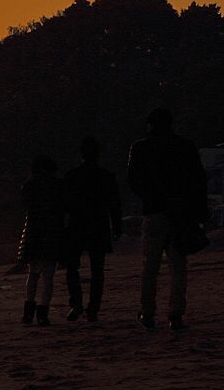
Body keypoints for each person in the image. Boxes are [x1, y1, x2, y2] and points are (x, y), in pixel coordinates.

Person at [127, 108, 207, 330]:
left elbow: (133, 180)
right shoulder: (185, 147)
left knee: (150, 266)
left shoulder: (140, 148)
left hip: (153, 211)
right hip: (180, 212)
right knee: (178, 266)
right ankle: (175, 312)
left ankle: (147, 312)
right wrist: (198, 211)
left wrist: (151, 197)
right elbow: (198, 180)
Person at [63, 136, 123, 322]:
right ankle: (93, 308)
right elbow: (115, 204)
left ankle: (76, 304)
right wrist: (117, 226)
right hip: (99, 224)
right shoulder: (107, 176)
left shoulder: (71, 176)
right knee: (98, 270)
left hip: (77, 225)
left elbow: (64, 204)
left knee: (72, 267)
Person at [18, 155, 64, 326]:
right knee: (48, 276)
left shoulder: (29, 186)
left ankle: (28, 312)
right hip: (52, 232)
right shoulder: (58, 185)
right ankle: (43, 312)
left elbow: (24, 207)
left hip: (33, 233)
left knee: (33, 274)